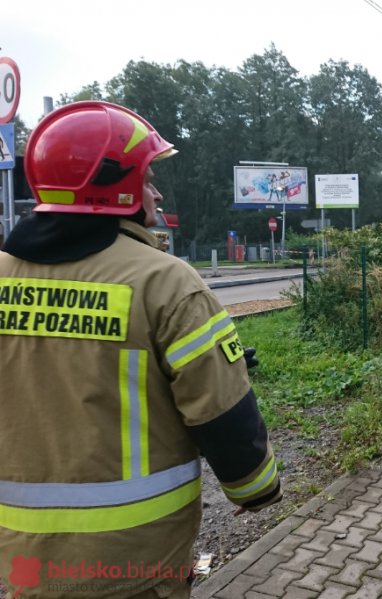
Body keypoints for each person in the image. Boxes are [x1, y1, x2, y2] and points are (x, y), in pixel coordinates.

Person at [0, 101, 281, 599]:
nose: (157, 190)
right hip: (133, 565)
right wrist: (255, 489)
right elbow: (222, 411)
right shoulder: (166, 282)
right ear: (116, 184)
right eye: (148, 175)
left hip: (21, 561)